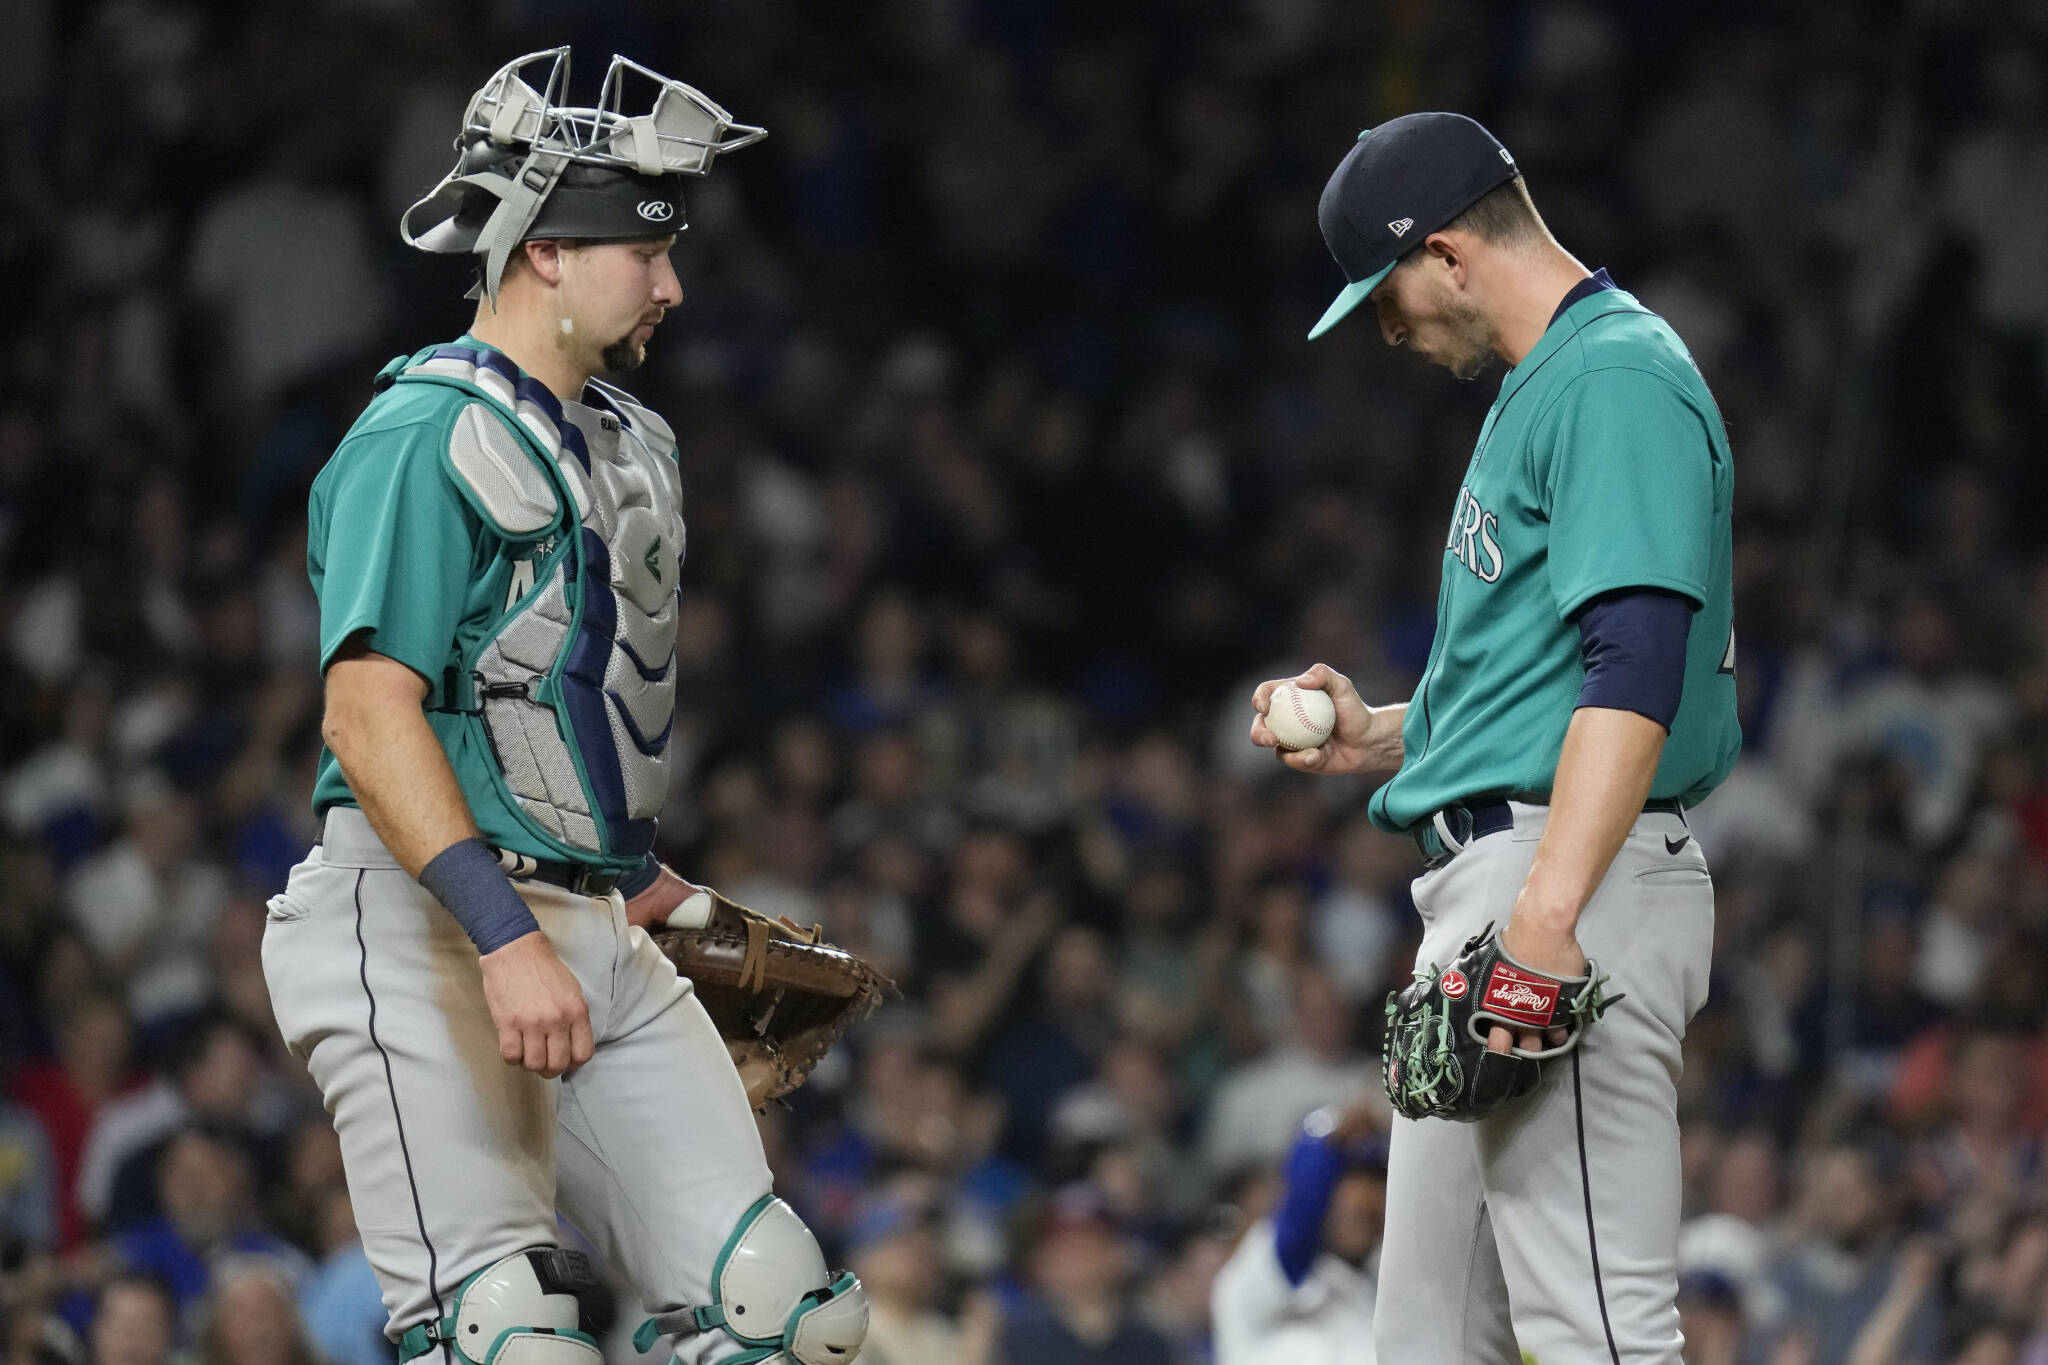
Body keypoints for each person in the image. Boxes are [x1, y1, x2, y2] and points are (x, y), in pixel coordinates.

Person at [260, 48, 867, 1365]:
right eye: (644, 248)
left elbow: (551, 712)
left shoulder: (622, 440)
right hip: (422, 923)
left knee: (782, 1318)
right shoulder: (425, 432)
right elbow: (368, 718)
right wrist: (500, 932)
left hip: (587, 919)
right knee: (508, 1337)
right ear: (542, 248)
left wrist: (652, 893)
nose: (671, 282)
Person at [1252, 111, 1739, 1363]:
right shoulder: (1550, 383)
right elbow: (1549, 677)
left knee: (1596, 1333)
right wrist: (1384, 733)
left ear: (1452, 252)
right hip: (1502, 874)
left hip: (1562, 884)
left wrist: (1544, 921)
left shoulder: (1612, 378)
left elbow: (1637, 669)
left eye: (1388, 289)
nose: (1386, 325)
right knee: (1423, 1339)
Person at [1210, 1098, 1385, 1365]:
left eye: (1375, 1185)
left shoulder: (1385, 1289)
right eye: (1347, 1185)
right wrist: (1331, 1131)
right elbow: (1298, 1222)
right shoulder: (1256, 1273)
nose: (1363, 1203)